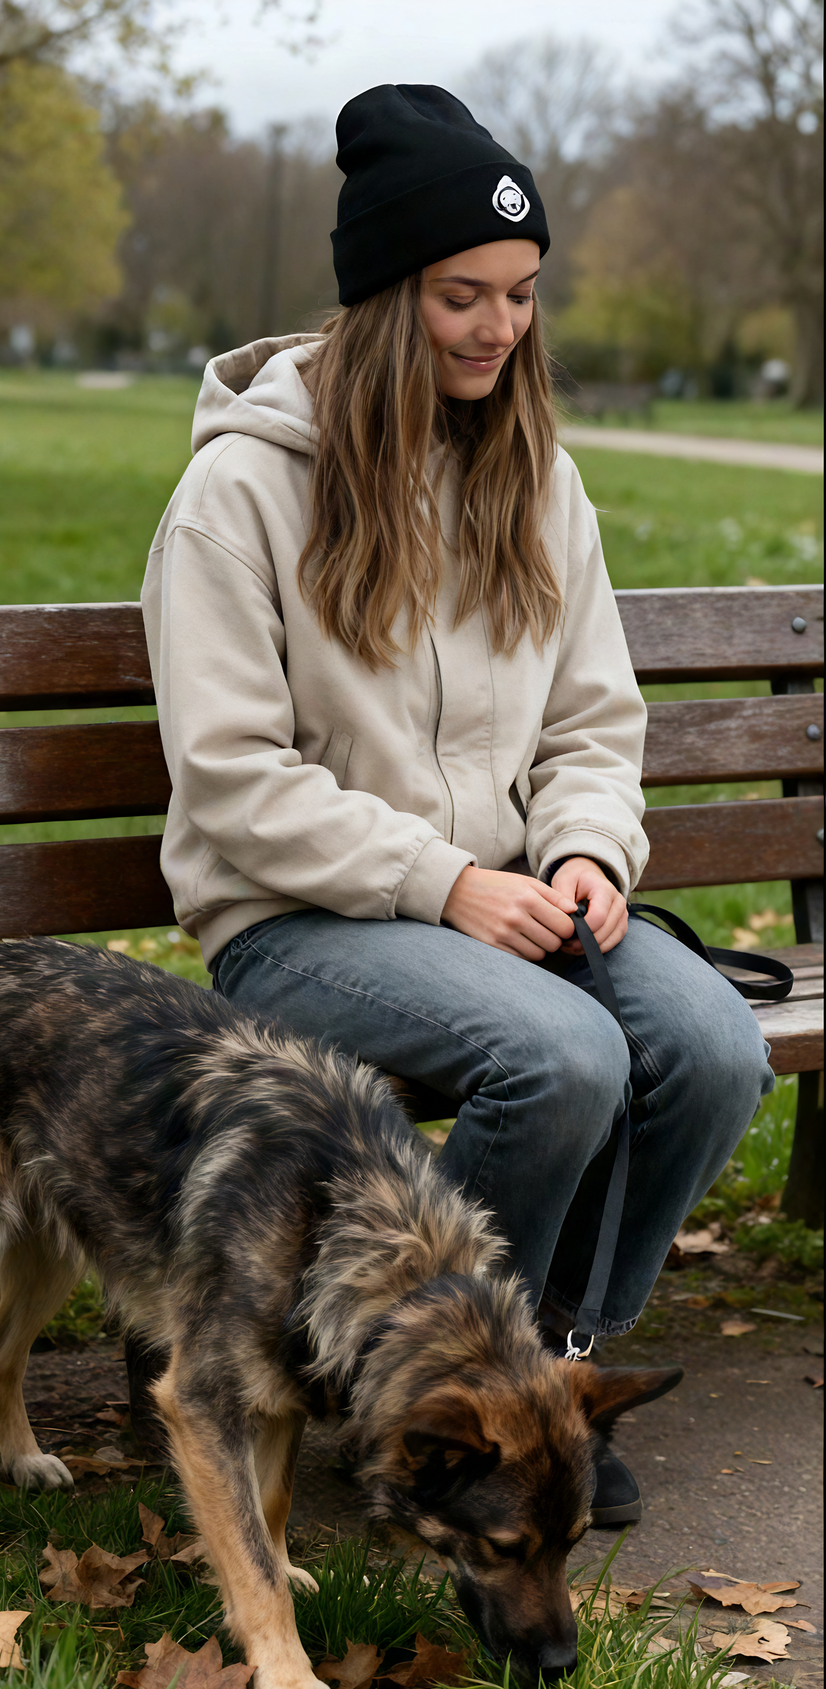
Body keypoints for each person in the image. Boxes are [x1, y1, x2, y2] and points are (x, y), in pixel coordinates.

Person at [141, 84, 773, 1522]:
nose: (500, 328)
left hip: (510, 899)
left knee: (709, 1046)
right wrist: (446, 882)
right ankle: (412, 1390)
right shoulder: (242, 493)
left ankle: (542, 1374)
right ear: (381, 298)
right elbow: (234, 781)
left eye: (523, 295)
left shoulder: (538, 480)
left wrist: (588, 849)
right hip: (301, 915)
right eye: (461, 296)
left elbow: (592, 721)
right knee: (559, 1059)